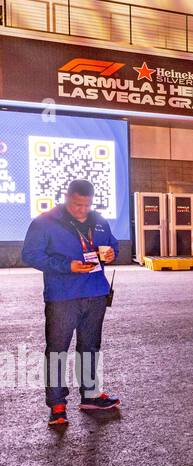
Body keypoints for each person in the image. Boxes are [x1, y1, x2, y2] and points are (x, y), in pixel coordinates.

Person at [22, 179, 121, 427]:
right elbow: (30, 254)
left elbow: (113, 243)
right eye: (77, 204)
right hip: (63, 296)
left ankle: (90, 395)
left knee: (90, 346)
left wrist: (111, 252)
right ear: (66, 198)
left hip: (95, 294)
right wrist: (67, 266)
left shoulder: (98, 220)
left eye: (87, 205)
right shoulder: (45, 222)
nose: (82, 210)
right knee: (57, 350)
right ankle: (57, 404)